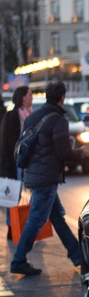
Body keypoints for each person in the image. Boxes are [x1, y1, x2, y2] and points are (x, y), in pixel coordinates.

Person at [10, 81, 89, 276]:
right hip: (46, 178)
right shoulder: (59, 121)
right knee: (36, 220)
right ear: (62, 98)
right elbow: (63, 152)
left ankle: (77, 255)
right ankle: (18, 260)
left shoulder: (33, 117)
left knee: (57, 217)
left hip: (33, 174)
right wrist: (81, 153)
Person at [0, 86, 33, 240]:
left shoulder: (31, 115)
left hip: (29, 163)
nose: (32, 97)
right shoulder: (11, 116)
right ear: (22, 97)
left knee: (35, 195)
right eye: (30, 95)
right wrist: (6, 166)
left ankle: (31, 226)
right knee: (13, 195)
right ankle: (12, 227)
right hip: (15, 164)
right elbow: (5, 143)